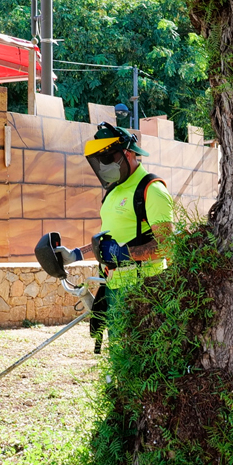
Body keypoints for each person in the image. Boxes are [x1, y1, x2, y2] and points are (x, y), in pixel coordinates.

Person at [76, 122, 175, 350]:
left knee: (142, 360)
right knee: (119, 360)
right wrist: (76, 254)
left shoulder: (152, 189)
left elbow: (168, 246)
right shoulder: (113, 191)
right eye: (101, 160)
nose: (105, 165)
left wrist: (125, 254)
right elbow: (109, 240)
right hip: (113, 288)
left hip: (144, 292)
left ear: (128, 153)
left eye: (109, 157)